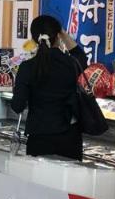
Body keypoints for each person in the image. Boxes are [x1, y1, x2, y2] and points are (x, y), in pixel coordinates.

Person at [10, 15, 88, 160]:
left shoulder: (27, 68)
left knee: (40, 181)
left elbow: (17, 106)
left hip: (39, 138)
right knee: (69, 182)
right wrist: (62, 33)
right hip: (69, 138)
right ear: (58, 36)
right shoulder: (72, 64)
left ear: (34, 40)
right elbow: (80, 55)